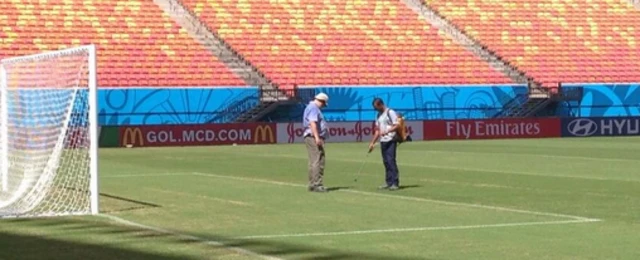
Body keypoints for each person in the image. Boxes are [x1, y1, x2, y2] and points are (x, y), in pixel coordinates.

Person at [368, 98, 401, 190]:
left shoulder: (390, 112)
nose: (375, 109)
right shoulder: (378, 115)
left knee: (391, 161)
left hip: (391, 139)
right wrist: (372, 143)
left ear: (381, 104)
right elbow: (377, 131)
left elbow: (397, 125)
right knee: (386, 162)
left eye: (376, 107)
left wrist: (387, 131)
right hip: (383, 140)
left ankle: (395, 182)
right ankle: (388, 181)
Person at [303, 93, 329, 192]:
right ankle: (317, 184)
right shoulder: (314, 108)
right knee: (318, 160)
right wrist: (317, 137)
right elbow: (313, 123)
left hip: (311, 136)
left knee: (313, 160)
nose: (323, 106)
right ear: (321, 101)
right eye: (323, 104)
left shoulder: (310, 107)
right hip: (313, 136)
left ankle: (312, 183)